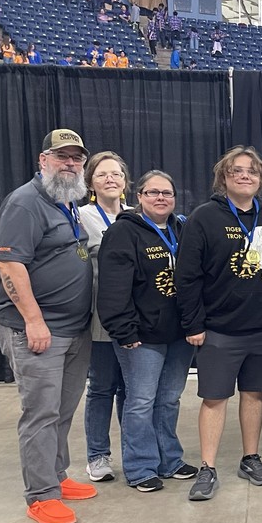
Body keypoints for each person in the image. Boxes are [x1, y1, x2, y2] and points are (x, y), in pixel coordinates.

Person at [175, 146, 262, 501]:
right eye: (236, 171)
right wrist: (193, 324)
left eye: (252, 171)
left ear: (261, 179)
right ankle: (208, 467)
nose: (245, 176)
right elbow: (187, 276)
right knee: (214, 398)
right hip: (218, 328)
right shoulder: (204, 217)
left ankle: (250, 458)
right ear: (223, 177)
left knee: (253, 394)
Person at [0, 129, 97, 523]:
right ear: (43, 160)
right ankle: (40, 495)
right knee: (39, 412)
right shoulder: (24, 202)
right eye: (61, 157)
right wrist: (34, 321)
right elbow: (9, 265)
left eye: (76, 158)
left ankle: (56, 475)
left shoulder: (67, 201)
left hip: (74, 328)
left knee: (62, 409)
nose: (69, 164)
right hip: (36, 329)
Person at [97, 170, 199, 492]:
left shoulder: (182, 229)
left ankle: (169, 460)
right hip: (141, 336)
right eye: (153, 193)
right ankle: (141, 468)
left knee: (169, 400)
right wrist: (123, 330)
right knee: (140, 401)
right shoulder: (124, 232)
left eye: (166, 193)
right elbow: (113, 287)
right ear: (139, 196)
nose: (160, 198)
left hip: (179, 334)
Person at [79, 152, 131, 483]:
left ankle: (135, 451)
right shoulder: (81, 216)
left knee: (131, 388)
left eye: (116, 174)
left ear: (126, 182)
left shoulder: (137, 216)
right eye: (102, 174)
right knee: (101, 386)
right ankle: (97, 455)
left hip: (134, 317)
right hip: (100, 315)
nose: (110, 179)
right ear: (90, 183)